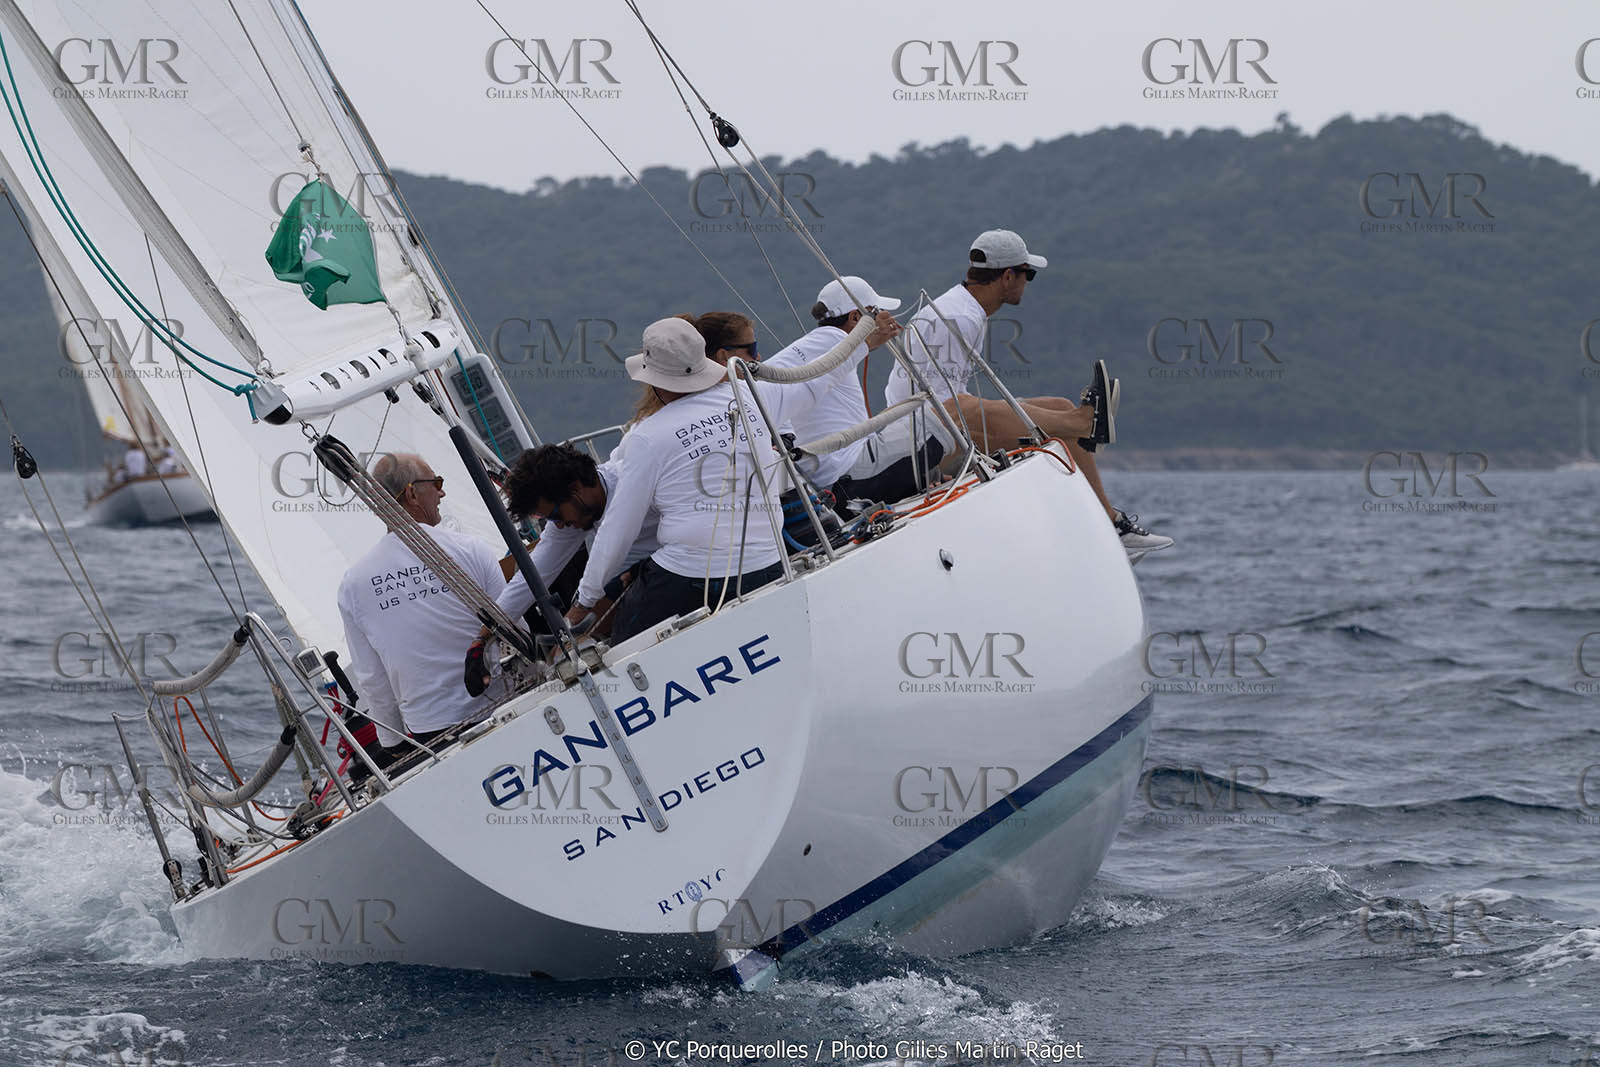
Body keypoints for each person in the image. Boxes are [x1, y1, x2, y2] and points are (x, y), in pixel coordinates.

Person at [568, 312, 899, 642]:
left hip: (692, 578)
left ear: (654, 381)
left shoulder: (646, 437)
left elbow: (619, 528)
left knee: (621, 637)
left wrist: (583, 603)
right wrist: (864, 344)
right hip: (769, 560)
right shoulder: (754, 397)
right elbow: (818, 381)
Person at [885, 229, 1173, 560]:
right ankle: (1086, 429)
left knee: (1057, 408)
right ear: (1008, 276)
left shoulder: (962, 309)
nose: (1027, 282)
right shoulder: (957, 317)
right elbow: (943, 410)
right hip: (918, 448)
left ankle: (1106, 513)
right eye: (1028, 274)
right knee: (1033, 421)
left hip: (932, 430)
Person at [336, 453, 508, 754]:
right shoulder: (472, 550)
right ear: (412, 493)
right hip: (501, 707)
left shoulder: (353, 584)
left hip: (433, 733)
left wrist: (394, 744)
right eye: (436, 482)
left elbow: (373, 680)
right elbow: (513, 627)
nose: (442, 492)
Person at [495, 439, 662, 631]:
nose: (558, 525)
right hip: (627, 588)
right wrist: (483, 637)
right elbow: (531, 577)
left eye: (555, 516)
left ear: (575, 489)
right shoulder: (571, 511)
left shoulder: (635, 480)